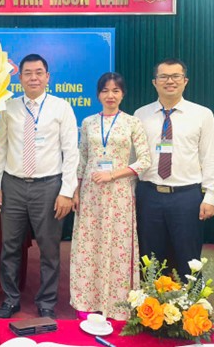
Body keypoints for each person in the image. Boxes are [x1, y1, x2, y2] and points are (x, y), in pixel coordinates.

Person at [0, 53, 79, 319]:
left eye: (39, 73)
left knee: (49, 249)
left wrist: (66, 191)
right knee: (10, 247)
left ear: (47, 77)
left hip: (48, 186)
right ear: (20, 78)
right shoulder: (8, 108)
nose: (33, 78)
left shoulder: (61, 107)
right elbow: (0, 148)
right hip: (13, 186)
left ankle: (47, 302)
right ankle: (10, 299)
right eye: (28, 73)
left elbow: (70, 152)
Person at [69, 72, 151, 320]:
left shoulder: (132, 123)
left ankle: (116, 305)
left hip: (119, 194)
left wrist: (113, 175)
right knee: (88, 246)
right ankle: (86, 301)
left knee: (117, 247)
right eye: (105, 90)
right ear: (98, 95)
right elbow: (83, 157)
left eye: (116, 90)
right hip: (91, 194)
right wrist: (76, 191)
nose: (110, 95)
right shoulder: (88, 123)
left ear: (123, 94)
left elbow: (145, 160)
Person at [134, 58, 214, 278]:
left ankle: (192, 300)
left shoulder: (202, 114)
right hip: (149, 195)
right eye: (163, 76)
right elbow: (134, 158)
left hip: (186, 196)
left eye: (175, 76)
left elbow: (209, 157)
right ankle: (150, 299)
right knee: (150, 258)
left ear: (185, 81)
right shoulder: (140, 115)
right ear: (154, 82)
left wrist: (211, 196)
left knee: (189, 258)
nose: (170, 81)